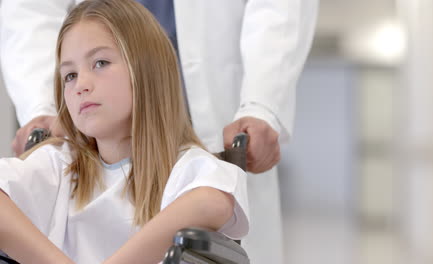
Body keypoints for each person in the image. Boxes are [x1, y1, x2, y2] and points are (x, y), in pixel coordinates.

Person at [1, 0, 318, 262]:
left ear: (147, 72)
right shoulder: (59, 165)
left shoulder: (189, 168)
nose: (81, 84)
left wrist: (263, 103)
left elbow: (212, 202)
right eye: (69, 75)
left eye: (100, 63)